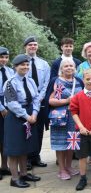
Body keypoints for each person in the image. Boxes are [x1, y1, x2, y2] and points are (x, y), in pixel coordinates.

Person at [3, 54, 41, 188]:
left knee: (25, 148)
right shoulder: (10, 83)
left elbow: (36, 98)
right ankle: (14, 178)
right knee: (14, 150)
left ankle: (24, 174)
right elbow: (12, 103)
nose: (25, 67)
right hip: (16, 118)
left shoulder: (30, 81)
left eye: (27, 65)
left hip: (30, 115)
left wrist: (35, 113)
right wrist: (27, 116)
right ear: (15, 67)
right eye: (22, 65)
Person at [47, 59, 83, 180]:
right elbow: (50, 100)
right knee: (60, 143)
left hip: (74, 117)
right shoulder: (56, 81)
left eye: (71, 66)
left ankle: (69, 167)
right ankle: (61, 169)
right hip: (60, 118)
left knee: (71, 142)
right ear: (61, 68)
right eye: (66, 66)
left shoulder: (78, 81)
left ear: (75, 68)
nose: (69, 68)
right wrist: (66, 101)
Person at [24, 36, 50, 169]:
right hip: (26, 100)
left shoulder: (43, 64)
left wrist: (40, 97)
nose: (32, 47)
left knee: (39, 129)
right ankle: (27, 158)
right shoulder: (21, 62)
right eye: (30, 45)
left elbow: (46, 83)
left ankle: (36, 156)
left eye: (34, 45)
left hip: (41, 99)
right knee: (27, 129)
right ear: (25, 47)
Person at [0, 47, 13, 179]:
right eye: (1, 57)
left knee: (5, 138)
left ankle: (4, 166)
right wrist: (1, 108)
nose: (3, 60)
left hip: (8, 104)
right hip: (1, 105)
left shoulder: (10, 71)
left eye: (5, 57)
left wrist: (9, 107)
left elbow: (11, 90)